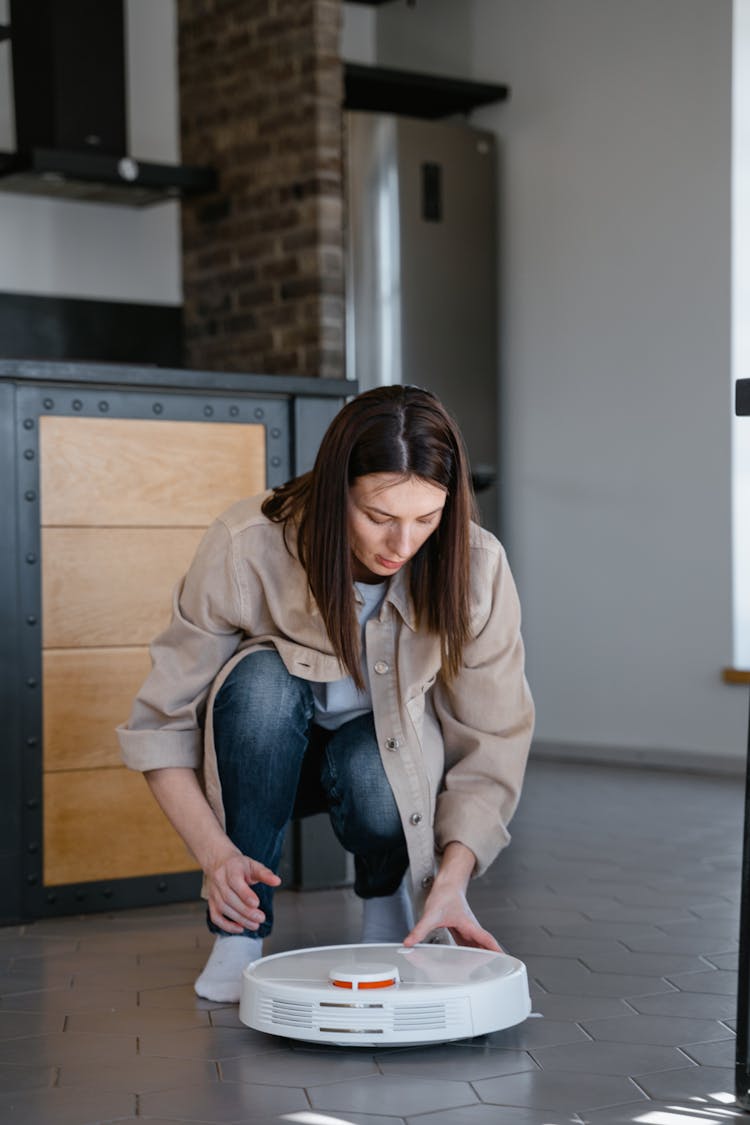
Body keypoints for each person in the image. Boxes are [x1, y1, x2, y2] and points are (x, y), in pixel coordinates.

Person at [118, 385, 534, 1003]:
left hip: (383, 770)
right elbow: (160, 722)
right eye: (379, 517)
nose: (402, 545)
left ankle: (385, 895)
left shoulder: (476, 566)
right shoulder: (247, 542)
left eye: (427, 518)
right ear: (336, 490)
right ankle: (241, 927)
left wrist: (450, 883)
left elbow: (493, 739)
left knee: (373, 764)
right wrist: (215, 857)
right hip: (259, 758)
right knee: (260, 683)